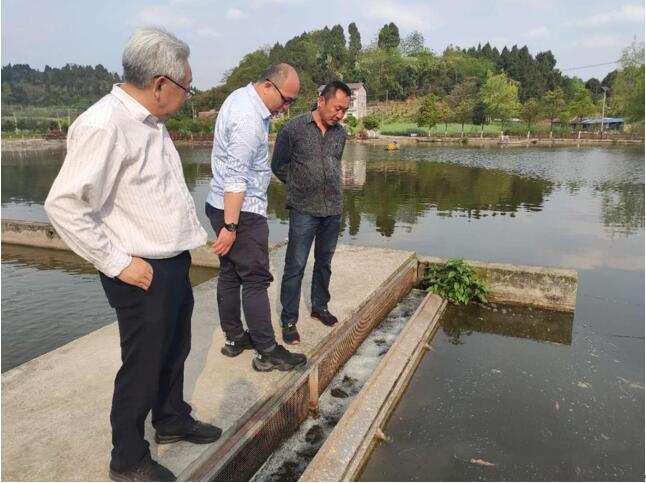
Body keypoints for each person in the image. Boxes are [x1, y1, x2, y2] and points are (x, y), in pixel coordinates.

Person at [45, 28, 221, 482]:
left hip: (171, 259)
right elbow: (64, 205)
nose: (187, 95)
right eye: (186, 86)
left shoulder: (149, 122)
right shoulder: (105, 124)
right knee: (142, 365)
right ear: (160, 83)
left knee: (175, 349)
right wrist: (118, 263)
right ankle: (127, 458)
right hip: (140, 268)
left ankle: (171, 418)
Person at [205, 64, 307, 371]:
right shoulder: (248, 117)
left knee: (230, 273)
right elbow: (236, 177)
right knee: (255, 279)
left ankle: (235, 337)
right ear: (268, 86)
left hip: (219, 203)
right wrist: (231, 226)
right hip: (241, 210)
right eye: (286, 100)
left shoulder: (240, 97)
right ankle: (267, 350)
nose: (286, 108)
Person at [271, 80, 351, 345]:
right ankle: (289, 320)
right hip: (303, 209)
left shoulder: (340, 134)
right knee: (295, 265)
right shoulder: (293, 129)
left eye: (344, 110)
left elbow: (334, 164)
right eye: (337, 108)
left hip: (333, 209)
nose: (340, 115)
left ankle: (320, 306)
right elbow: (278, 165)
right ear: (321, 101)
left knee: (324, 262)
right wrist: (300, 185)